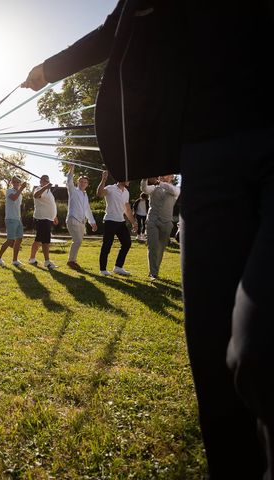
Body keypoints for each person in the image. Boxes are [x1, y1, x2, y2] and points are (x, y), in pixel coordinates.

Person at [22, 5, 274, 477]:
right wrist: (48, 70)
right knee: (214, 357)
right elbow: (111, 31)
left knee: (261, 345)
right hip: (207, 152)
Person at [96, 170, 136, 276]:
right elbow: (99, 194)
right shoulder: (111, 188)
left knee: (127, 243)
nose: (129, 181)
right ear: (121, 179)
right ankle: (103, 269)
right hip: (110, 220)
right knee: (107, 245)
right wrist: (103, 179)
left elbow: (127, 209)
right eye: (127, 179)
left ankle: (118, 267)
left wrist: (133, 222)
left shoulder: (126, 192)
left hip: (120, 222)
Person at [141, 175, 180, 280]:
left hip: (166, 223)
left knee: (160, 249)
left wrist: (159, 183)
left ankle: (155, 270)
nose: (163, 176)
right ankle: (153, 273)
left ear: (171, 178)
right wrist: (145, 179)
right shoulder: (154, 188)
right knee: (152, 246)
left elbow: (171, 189)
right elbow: (144, 189)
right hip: (152, 221)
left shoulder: (176, 190)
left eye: (167, 175)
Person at [65, 164, 97, 271]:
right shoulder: (73, 191)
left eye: (85, 182)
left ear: (87, 184)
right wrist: (71, 169)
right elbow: (69, 180)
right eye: (81, 181)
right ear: (78, 182)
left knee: (78, 241)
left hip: (81, 221)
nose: (83, 183)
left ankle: (73, 261)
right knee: (77, 241)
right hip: (73, 219)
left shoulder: (85, 194)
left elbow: (87, 209)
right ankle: (71, 261)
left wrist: (92, 222)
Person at [0, 176, 27, 266]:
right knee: (10, 240)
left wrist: (20, 219)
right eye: (14, 182)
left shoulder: (20, 194)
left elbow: (17, 206)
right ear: (12, 183)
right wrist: (21, 189)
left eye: (18, 182)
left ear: (19, 183)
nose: (16, 183)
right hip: (10, 219)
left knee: (19, 239)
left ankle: (15, 260)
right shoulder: (9, 191)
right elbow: (14, 198)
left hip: (18, 219)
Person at [28, 174, 58, 269]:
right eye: (43, 180)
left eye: (47, 180)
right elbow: (36, 195)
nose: (45, 182)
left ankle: (32, 258)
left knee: (38, 239)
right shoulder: (39, 189)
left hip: (48, 218)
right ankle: (47, 262)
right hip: (42, 218)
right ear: (40, 181)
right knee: (45, 240)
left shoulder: (49, 192)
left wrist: (54, 216)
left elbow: (50, 204)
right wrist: (45, 187)